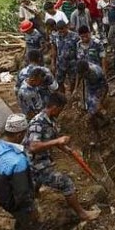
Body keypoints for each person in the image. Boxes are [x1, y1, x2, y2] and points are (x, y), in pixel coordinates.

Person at [25, 93, 96, 221]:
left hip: (42, 159)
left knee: (38, 179)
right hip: (34, 163)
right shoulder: (37, 123)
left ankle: (33, 192)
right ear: (54, 107)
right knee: (66, 183)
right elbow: (33, 146)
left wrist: (65, 148)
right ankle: (82, 214)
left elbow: (51, 138)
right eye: (61, 109)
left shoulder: (51, 120)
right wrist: (57, 142)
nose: (61, 112)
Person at [0, 114, 49, 230]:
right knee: (34, 222)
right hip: (15, 200)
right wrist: (30, 208)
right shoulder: (18, 161)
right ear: (19, 135)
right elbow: (22, 192)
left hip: (1, 194)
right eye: (25, 133)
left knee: (20, 216)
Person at [76, 60, 108, 141]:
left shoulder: (98, 72)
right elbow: (78, 76)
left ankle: (98, 135)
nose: (81, 76)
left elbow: (106, 87)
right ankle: (105, 119)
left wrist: (101, 101)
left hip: (99, 90)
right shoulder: (81, 70)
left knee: (91, 115)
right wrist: (76, 88)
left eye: (83, 74)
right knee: (92, 110)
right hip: (90, 90)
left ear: (87, 71)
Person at [50, 21, 80, 94]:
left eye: (62, 29)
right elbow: (54, 50)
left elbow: (79, 50)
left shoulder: (75, 36)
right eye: (59, 30)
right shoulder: (55, 36)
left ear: (67, 27)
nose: (61, 32)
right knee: (59, 81)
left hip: (72, 63)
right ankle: (62, 96)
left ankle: (72, 95)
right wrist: (53, 63)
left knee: (73, 80)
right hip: (60, 63)